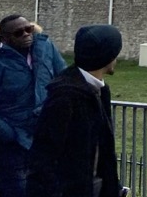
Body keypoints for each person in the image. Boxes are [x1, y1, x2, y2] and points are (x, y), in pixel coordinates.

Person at [0, 14, 68, 197]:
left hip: (41, 139)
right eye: (19, 33)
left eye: (29, 29)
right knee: (16, 190)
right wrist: (11, 134)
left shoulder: (45, 49)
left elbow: (63, 81)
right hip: (6, 145)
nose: (27, 34)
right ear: (5, 39)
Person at [28, 24, 125, 197]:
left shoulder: (100, 90)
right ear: (107, 57)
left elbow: (103, 149)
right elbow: (44, 155)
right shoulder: (65, 95)